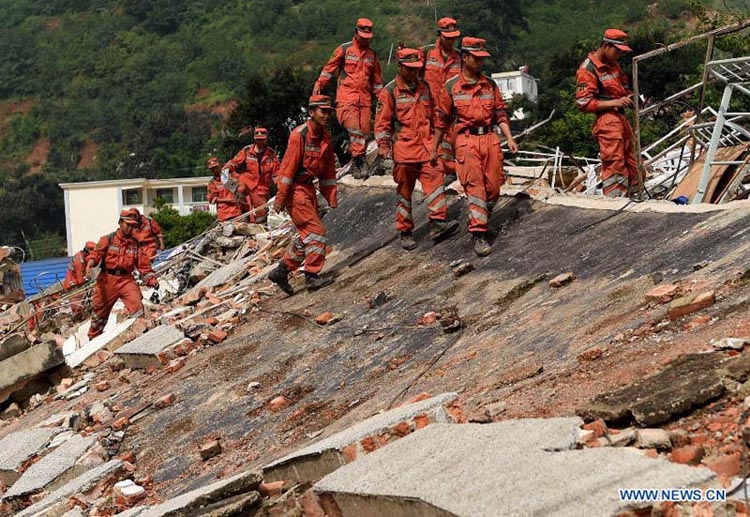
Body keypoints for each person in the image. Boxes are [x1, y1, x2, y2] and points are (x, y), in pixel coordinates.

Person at [435, 37, 518, 257]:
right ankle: (479, 233)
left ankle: (480, 215)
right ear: (465, 57)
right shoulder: (452, 86)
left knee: (494, 187)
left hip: (490, 138)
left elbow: (500, 112)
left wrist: (509, 137)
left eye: (483, 58)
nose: (481, 62)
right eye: (477, 58)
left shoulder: (490, 84)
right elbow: (442, 120)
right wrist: (435, 149)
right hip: (466, 141)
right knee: (476, 188)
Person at [375, 47, 459, 250]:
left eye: (416, 69)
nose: (414, 73)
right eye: (410, 69)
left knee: (436, 182)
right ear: (400, 67)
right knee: (405, 193)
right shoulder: (389, 92)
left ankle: (438, 223)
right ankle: (405, 231)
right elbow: (382, 124)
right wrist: (384, 147)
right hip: (405, 150)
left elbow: (435, 116)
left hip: (428, 147)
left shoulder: (426, 89)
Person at [268, 95, 338, 294]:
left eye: (329, 112)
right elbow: (287, 170)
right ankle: (311, 276)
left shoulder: (324, 137)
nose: (326, 115)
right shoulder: (299, 135)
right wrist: (281, 198)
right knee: (317, 232)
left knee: (306, 236)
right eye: (322, 111)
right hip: (295, 192)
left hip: (308, 190)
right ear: (311, 112)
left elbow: (328, 170)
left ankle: (281, 271)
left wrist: (331, 195)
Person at [313, 18, 383, 179]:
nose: (365, 40)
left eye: (368, 37)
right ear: (355, 33)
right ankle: (360, 161)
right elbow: (328, 69)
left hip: (364, 100)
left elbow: (377, 81)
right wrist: (319, 84)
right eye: (362, 36)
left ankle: (356, 163)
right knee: (354, 129)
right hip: (346, 98)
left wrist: (382, 99)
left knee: (364, 132)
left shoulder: (372, 56)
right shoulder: (344, 50)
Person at [575, 28, 638, 199]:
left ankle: (635, 201)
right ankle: (615, 204)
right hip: (607, 120)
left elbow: (624, 86)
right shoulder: (587, 68)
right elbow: (583, 103)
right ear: (605, 45)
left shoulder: (613, 65)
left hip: (621, 118)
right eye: (617, 50)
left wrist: (631, 97)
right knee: (615, 165)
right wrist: (615, 102)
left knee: (633, 164)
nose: (619, 55)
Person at [85, 209, 157, 339]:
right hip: (107, 280)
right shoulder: (108, 239)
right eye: (127, 224)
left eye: (133, 225)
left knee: (137, 307)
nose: (130, 228)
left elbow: (143, 265)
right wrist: (90, 264)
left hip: (126, 279)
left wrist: (151, 280)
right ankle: (93, 340)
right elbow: (96, 254)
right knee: (99, 314)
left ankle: (140, 337)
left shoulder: (135, 244)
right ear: (120, 223)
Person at [422, 17, 461, 183]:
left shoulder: (461, 58)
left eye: (454, 37)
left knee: (449, 138)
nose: (451, 40)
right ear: (439, 35)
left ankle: (450, 171)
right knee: (428, 140)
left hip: (450, 109)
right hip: (429, 106)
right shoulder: (426, 53)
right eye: (448, 37)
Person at [223, 127, 280, 223]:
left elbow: (277, 174)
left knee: (261, 214)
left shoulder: (271, 154)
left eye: (262, 140)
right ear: (254, 139)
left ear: (266, 139)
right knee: (240, 189)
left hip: (261, 188)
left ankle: (259, 227)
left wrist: (282, 188)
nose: (260, 142)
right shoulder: (247, 150)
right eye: (258, 140)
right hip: (246, 181)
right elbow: (234, 162)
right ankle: (243, 214)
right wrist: (228, 167)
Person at [207, 156, 243, 222]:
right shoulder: (212, 183)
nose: (215, 170)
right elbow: (211, 200)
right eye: (212, 168)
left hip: (236, 213)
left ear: (220, 165)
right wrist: (227, 200)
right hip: (223, 215)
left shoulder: (230, 176)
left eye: (216, 167)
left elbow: (241, 188)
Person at [132, 208, 165, 273]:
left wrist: (162, 244)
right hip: (137, 247)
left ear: (138, 215)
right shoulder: (131, 224)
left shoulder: (149, 221)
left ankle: (149, 278)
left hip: (149, 246)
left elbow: (158, 232)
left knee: (146, 263)